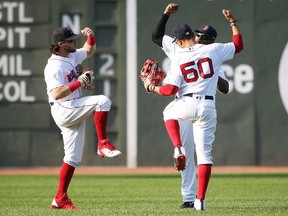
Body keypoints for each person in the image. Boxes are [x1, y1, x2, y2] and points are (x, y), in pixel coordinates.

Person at [147, 4, 243, 210]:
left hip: (184, 104)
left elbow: (223, 88)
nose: (201, 37)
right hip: (204, 106)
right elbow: (157, 36)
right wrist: (233, 23)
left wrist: (152, 87)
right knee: (198, 153)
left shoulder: (204, 53)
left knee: (178, 132)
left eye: (204, 36)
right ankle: (193, 199)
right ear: (194, 35)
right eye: (199, 34)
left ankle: (179, 155)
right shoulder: (214, 51)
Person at [44, 26, 122, 210]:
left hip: (72, 105)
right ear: (61, 44)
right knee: (102, 101)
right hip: (63, 107)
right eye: (71, 40)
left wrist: (91, 38)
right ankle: (102, 143)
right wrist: (79, 82)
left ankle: (59, 198)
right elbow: (56, 93)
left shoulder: (71, 55)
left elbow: (89, 50)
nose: (75, 42)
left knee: (72, 158)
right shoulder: (53, 66)